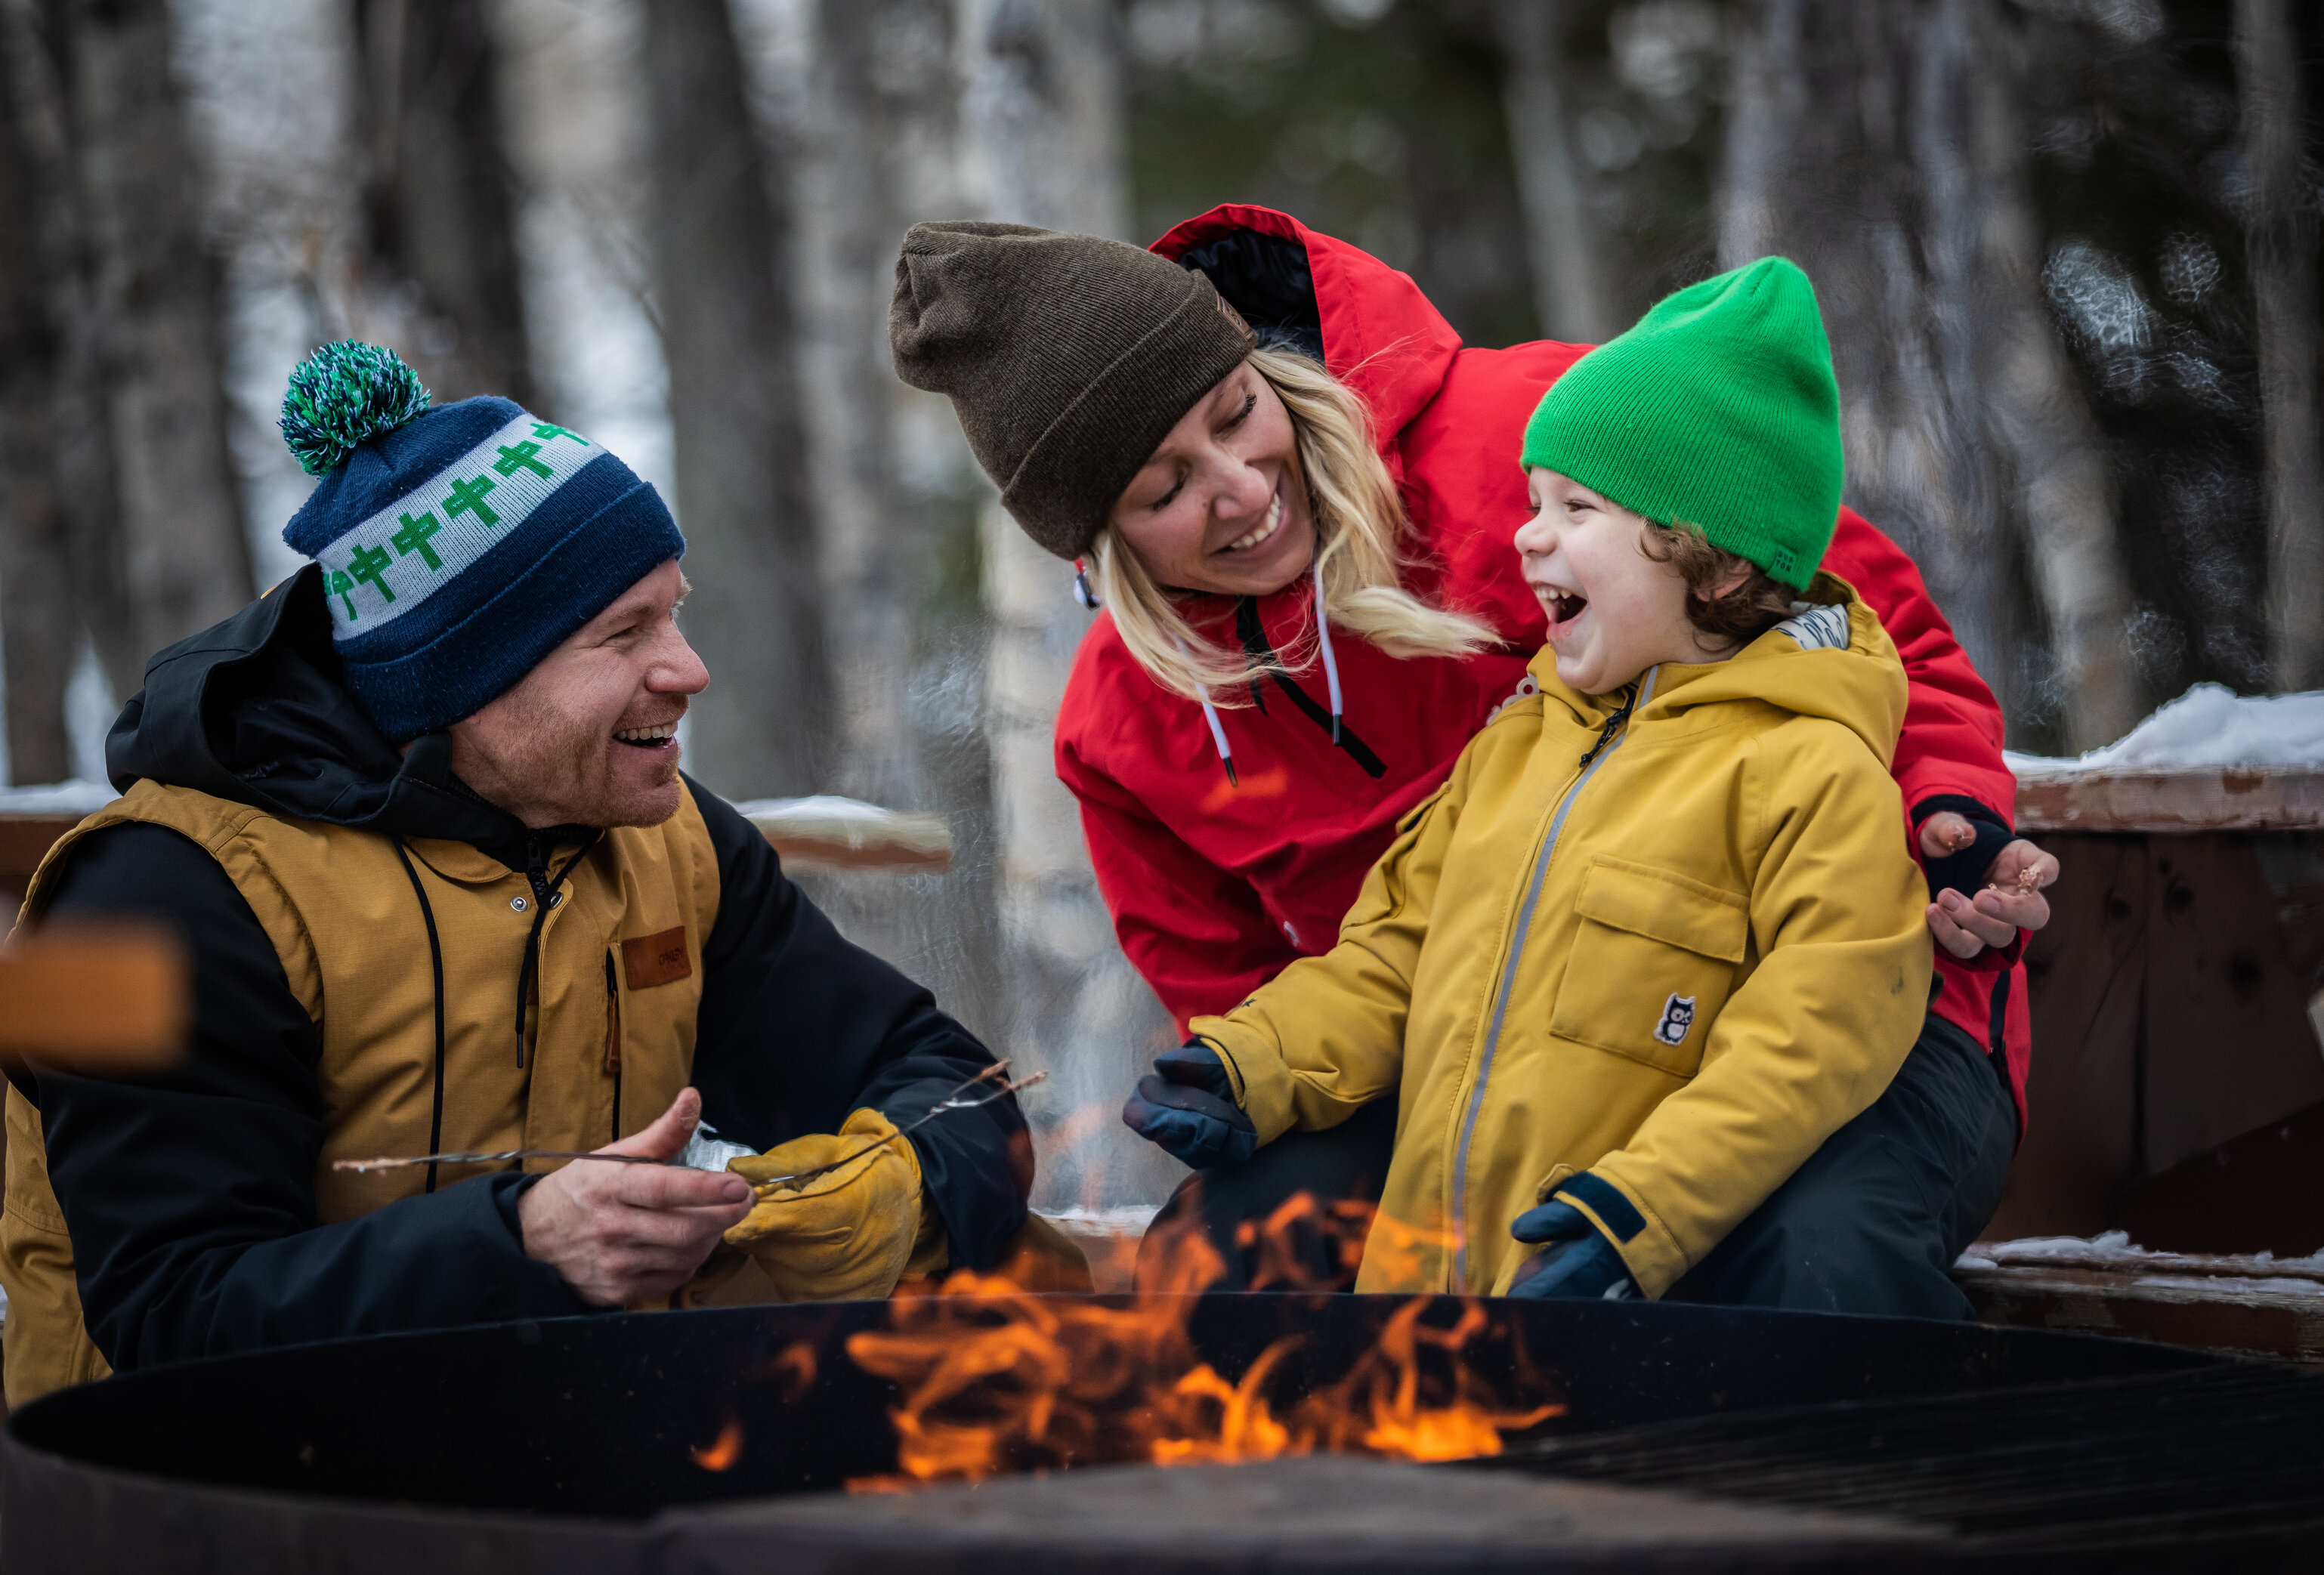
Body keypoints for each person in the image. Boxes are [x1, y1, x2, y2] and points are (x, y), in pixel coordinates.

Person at [891, 208, 2057, 1315]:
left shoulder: (1558, 448)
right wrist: (1244, 1075)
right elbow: (1304, 987)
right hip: (1478, 1054)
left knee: (1809, 1259)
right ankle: (1326, 1516)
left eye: (1238, 411)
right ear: (1099, 545)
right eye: (1166, 488)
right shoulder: (1127, 729)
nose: (1244, 488)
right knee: (1230, 1260)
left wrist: (1952, 817)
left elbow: (1871, 639)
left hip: (1826, 1013)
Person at [0, 343, 1034, 1409]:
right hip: (183, 1519)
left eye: (675, 611)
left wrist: (889, 1187)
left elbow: (951, 1082)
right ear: (464, 675)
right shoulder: (154, 896)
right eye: (624, 632)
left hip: (549, 1479)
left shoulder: (667, 843)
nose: (689, 669)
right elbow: (173, 1314)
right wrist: (523, 1241)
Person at [1121, 258, 1932, 1300]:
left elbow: (1811, 1038)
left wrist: (1640, 1212)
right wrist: (1254, 1065)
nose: (1526, 532)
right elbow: (1390, 954)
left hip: (1619, 1278)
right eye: (1533, 497)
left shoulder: (1808, 771)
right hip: (1428, 1299)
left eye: (1576, 508)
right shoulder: (1520, 744)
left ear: (1717, 562)